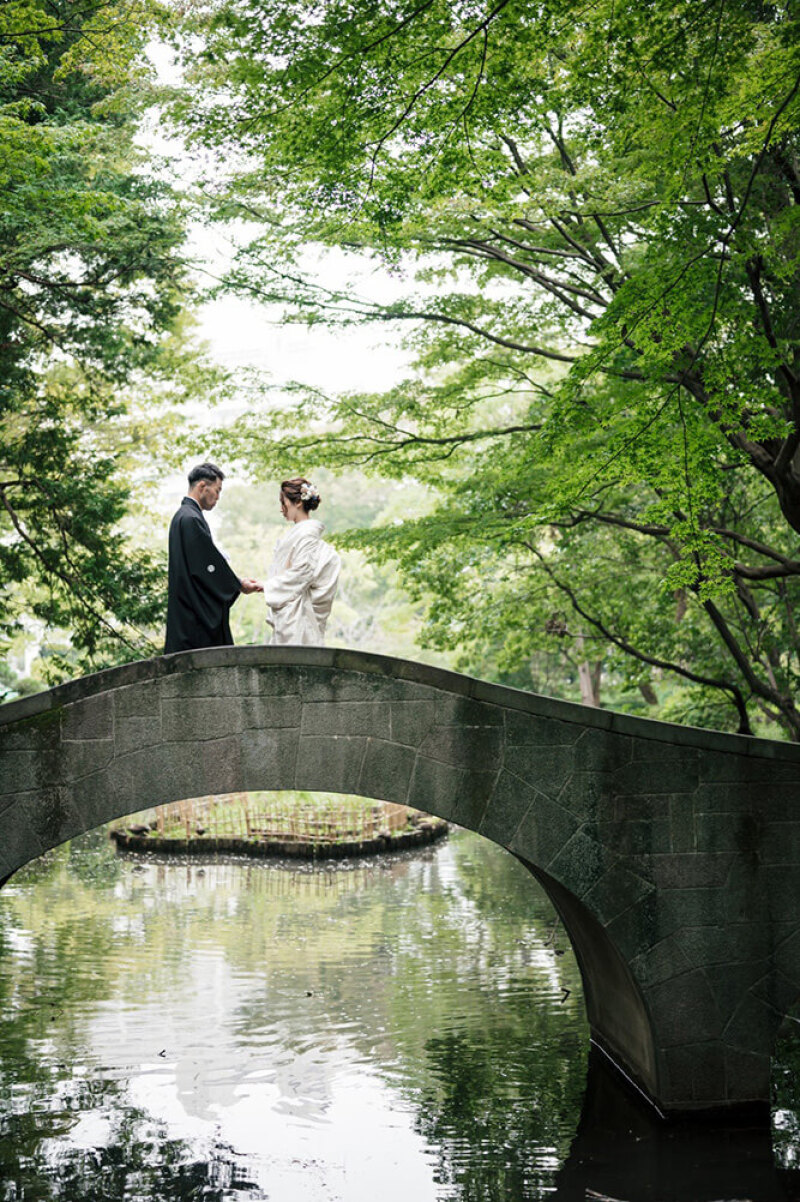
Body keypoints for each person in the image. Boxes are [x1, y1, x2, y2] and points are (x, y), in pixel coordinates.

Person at [164, 462, 262, 654]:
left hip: (184, 608)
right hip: (192, 614)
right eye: (217, 491)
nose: (217, 497)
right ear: (202, 486)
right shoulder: (190, 519)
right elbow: (205, 567)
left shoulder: (184, 516)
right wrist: (238, 585)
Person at [264, 477, 340, 645]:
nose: (281, 509)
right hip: (291, 607)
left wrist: (267, 586)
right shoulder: (301, 533)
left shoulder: (307, 534)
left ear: (298, 502)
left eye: (283, 502)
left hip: (297, 612)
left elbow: (302, 573)